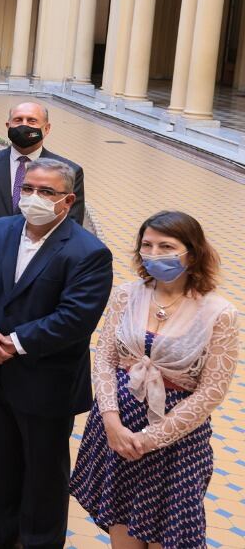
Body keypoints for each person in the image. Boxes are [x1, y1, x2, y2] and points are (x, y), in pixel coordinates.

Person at [0, 159, 112, 549]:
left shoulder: (89, 252)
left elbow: (75, 319)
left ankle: (39, 543)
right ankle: (2, 537)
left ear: (67, 200)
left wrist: (11, 342)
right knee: (1, 466)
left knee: (43, 475)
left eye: (46, 192)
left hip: (45, 381)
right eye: (28, 189)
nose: (33, 198)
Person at [70, 211, 238, 549]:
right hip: (117, 431)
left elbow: (211, 392)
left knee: (170, 537)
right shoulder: (127, 294)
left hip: (175, 443)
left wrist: (149, 439)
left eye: (166, 246)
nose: (154, 253)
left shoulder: (219, 312)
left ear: (191, 253)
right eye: (147, 245)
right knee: (121, 528)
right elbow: (105, 357)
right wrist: (112, 422)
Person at [0, 101, 86, 458]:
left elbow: (70, 229)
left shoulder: (68, 170)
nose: (24, 125)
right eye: (18, 119)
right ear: (7, 124)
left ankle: (15, 414)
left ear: (46, 128)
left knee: (20, 355)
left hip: (37, 282)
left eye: (32, 120)